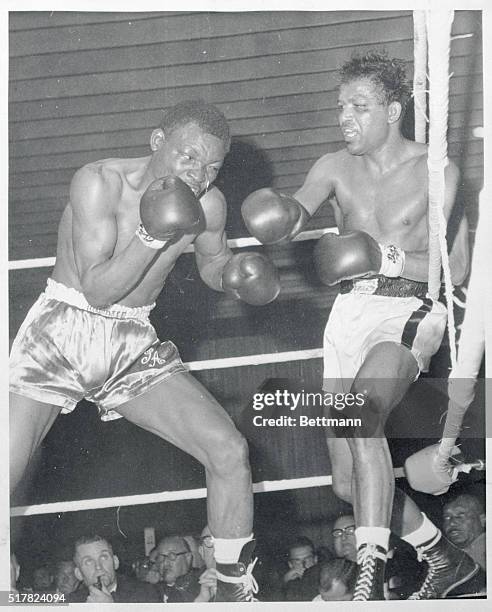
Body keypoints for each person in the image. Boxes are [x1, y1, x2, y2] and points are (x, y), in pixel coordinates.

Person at [9, 99, 280, 601]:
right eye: (189, 158)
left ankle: (232, 587)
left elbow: (213, 262)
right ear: (159, 142)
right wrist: (150, 232)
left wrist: (239, 276)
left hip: (131, 338)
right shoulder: (99, 182)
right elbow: (96, 290)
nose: (200, 175)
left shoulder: (210, 204)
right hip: (62, 329)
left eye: (212, 166)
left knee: (229, 451)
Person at [241, 51, 476, 600]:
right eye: (340, 106)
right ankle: (444, 557)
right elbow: (296, 214)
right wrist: (274, 222)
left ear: (393, 110)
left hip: (408, 309)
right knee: (348, 482)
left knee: (363, 415)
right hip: (348, 314)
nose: (344, 116)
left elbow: (457, 267)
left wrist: (383, 255)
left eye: (359, 106)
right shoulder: (331, 167)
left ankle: (370, 572)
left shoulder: (436, 170)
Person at [68, 534, 160, 603]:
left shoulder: (146, 593)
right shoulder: (70, 602)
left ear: (115, 562)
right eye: (88, 561)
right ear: (79, 573)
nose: (98, 566)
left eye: (104, 557)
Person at [154, 535, 216, 603]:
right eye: (161, 557)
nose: (165, 563)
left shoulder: (203, 585)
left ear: (188, 558)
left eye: (171, 556)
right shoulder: (151, 590)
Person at [443, 493, 486, 571]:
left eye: (460, 516)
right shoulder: (448, 557)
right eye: (447, 517)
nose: (451, 523)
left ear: (482, 520)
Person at [282, 536, 319, 601]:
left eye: (307, 559)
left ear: (315, 559)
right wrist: (284, 584)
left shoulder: (326, 581)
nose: (303, 565)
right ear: (290, 564)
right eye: (297, 561)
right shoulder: (289, 585)